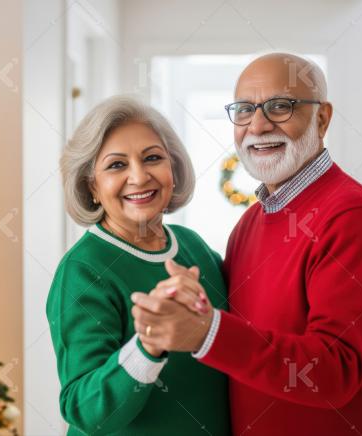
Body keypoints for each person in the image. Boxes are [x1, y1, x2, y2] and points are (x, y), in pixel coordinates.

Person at [131, 53, 362, 435]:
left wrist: (207, 331)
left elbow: (332, 373)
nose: (258, 126)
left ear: (322, 119)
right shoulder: (247, 226)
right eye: (244, 110)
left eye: (280, 106)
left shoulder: (354, 217)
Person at [46, 95, 230, 435]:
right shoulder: (83, 270)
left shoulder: (193, 246)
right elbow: (83, 410)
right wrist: (149, 341)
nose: (139, 176)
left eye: (153, 158)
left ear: (173, 169)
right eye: (117, 165)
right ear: (92, 187)